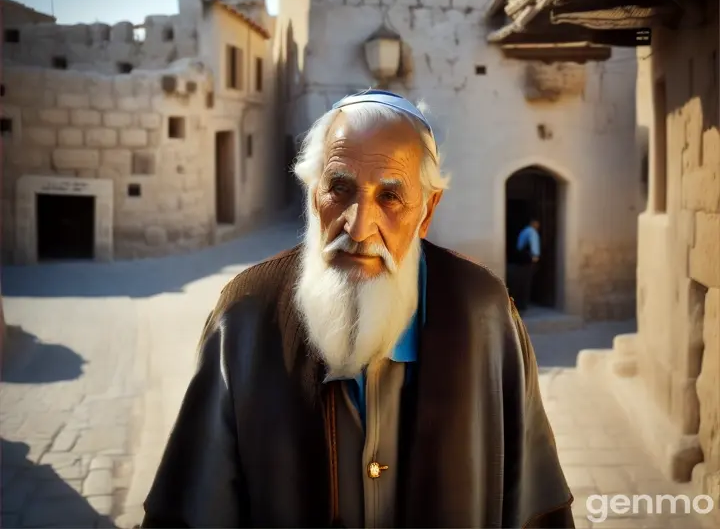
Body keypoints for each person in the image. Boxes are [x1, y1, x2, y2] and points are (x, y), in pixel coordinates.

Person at [140, 90, 574, 528]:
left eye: (389, 197)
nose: (359, 224)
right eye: (340, 189)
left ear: (426, 212)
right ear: (314, 196)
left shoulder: (484, 311)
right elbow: (191, 507)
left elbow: (535, 505)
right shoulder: (247, 314)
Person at [514, 217, 541, 312]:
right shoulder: (532, 232)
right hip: (528, 258)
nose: (538, 226)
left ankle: (520, 303)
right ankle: (524, 304)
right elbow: (534, 246)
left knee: (521, 280)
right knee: (527, 281)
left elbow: (519, 246)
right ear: (533, 223)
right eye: (537, 224)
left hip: (521, 258)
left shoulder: (524, 231)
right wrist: (535, 257)